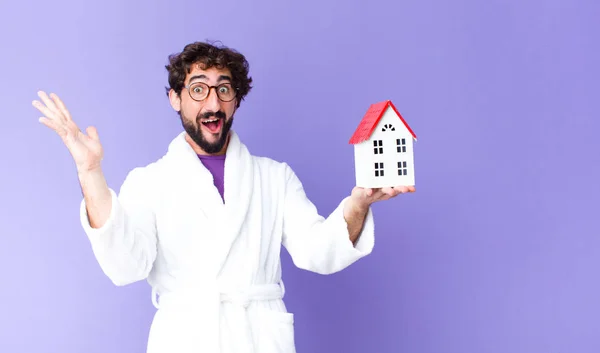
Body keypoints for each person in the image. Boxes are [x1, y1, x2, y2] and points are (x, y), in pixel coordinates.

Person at [32, 41, 415, 353]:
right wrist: (90, 172)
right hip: (185, 340)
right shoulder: (149, 182)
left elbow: (318, 251)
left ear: (236, 99)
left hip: (259, 339)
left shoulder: (274, 178)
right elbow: (125, 265)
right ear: (175, 98)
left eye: (224, 89)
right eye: (198, 89)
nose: (212, 104)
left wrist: (359, 204)